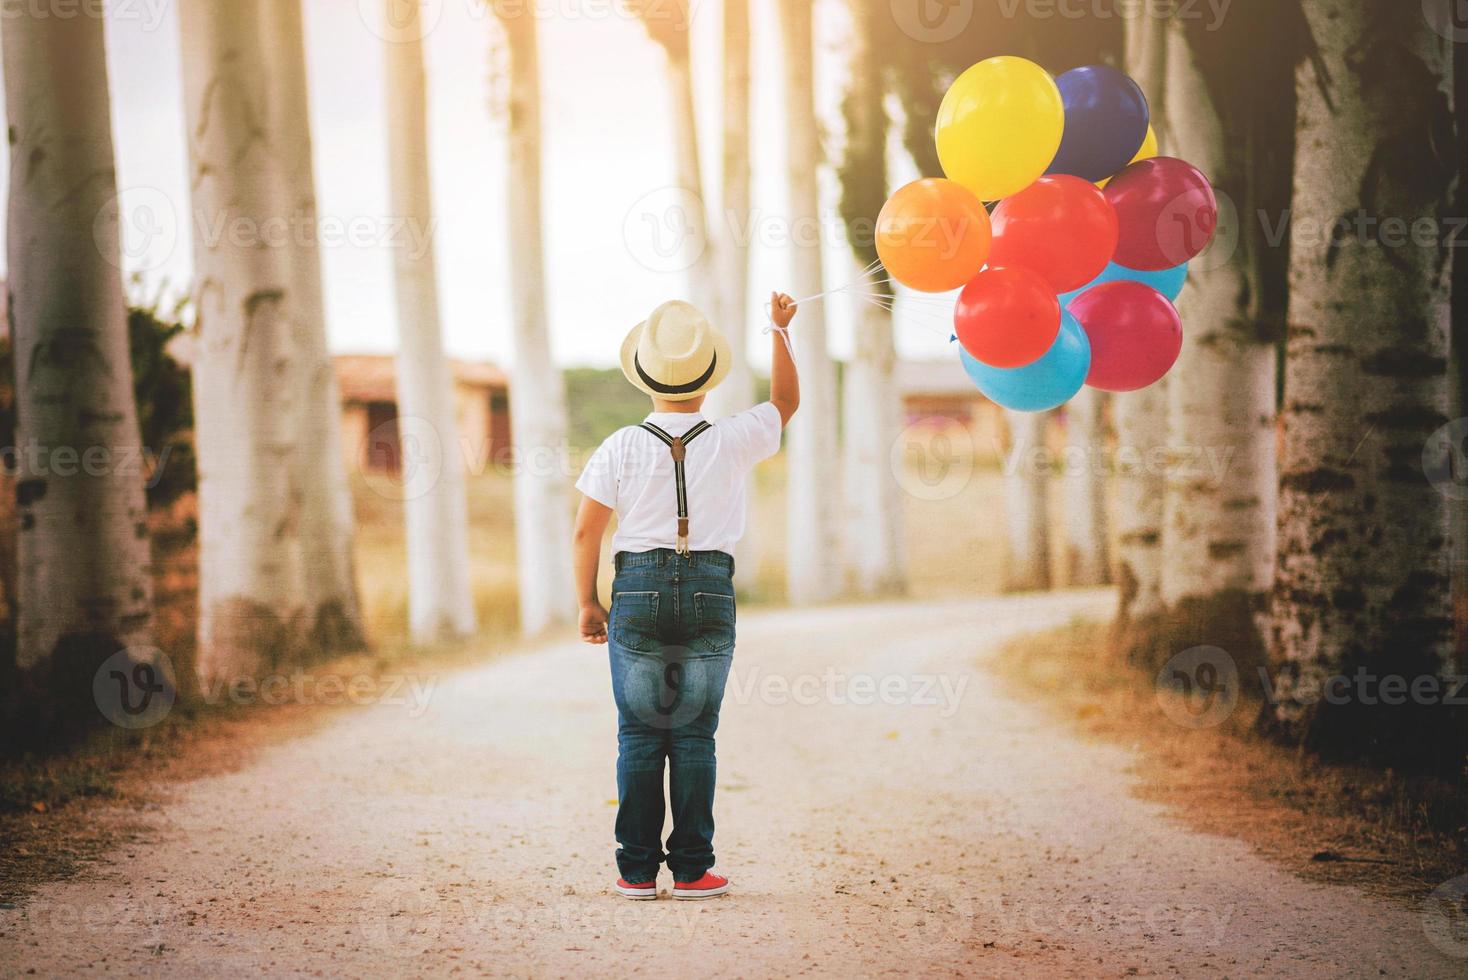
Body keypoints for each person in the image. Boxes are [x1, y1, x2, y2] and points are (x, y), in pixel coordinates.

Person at [572, 294, 800, 900]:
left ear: (645, 375)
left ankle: (637, 871)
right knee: (695, 734)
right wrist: (778, 330)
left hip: (637, 587)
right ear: (708, 379)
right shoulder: (733, 437)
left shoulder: (619, 444)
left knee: (641, 734)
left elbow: (585, 530)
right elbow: (785, 403)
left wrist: (589, 603)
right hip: (708, 587)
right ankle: (695, 868)